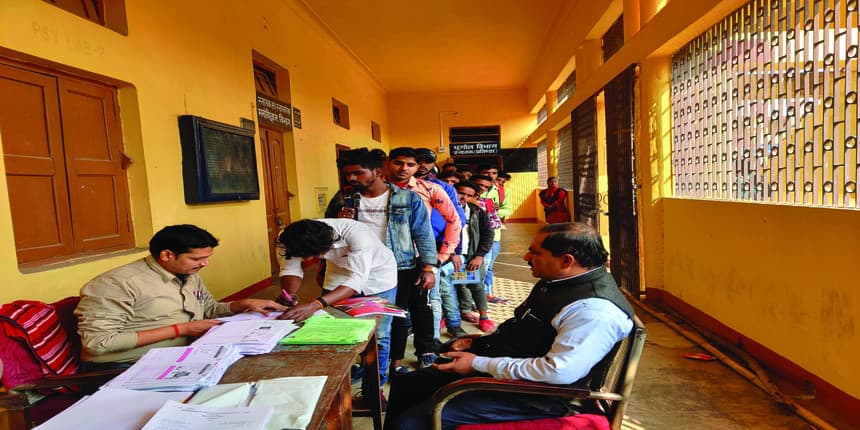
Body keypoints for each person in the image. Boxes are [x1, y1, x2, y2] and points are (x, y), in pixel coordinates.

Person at [384, 223, 635, 430]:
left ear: (566, 260)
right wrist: (479, 344)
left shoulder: (594, 311)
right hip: (508, 368)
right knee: (408, 386)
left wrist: (476, 363)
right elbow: (525, 328)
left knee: (412, 423)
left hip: (539, 396)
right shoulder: (558, 281)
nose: (526, 257)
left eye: (535, 253)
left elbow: (559, 373)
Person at [75, 224, 286, 366]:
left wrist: (242, 304)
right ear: (167, 255)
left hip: (187, 352)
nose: (205, 264)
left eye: (207, 257)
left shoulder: (187, 274)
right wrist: (182, 329)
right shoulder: (117, 283)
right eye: (197, 259)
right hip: (129, 366)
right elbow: (98, 342)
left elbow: (208, 309)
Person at [324, 147, 438, 377]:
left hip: (397, 267)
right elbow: (325, 232)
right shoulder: (343, 198)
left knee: (390, 323)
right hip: (350, 267)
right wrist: (337, 222)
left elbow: (423, 234)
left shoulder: (407, 198)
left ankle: (384, 371)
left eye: (358, 173)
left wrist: (428, 267)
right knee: (347, 324)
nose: (352, 179)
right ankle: (362, 367)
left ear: (377, 171)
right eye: (348, 174)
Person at [276, 218, 398, 400]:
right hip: (337, 277)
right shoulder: (288, 238)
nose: (309, 260)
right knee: (334, 332)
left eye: (312, 257)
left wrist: (315, 304)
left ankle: (373, 388)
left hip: (378, 279)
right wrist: (289, 294)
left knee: (379, 335)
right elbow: (290, 268)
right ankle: (341, 381)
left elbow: (357, 280)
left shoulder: (357, 234)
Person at [385, 147, 462, 370]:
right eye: (399, 163)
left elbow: (454, 221)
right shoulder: (377, 189)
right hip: (386, 261)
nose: (404, 169)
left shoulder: (429, 190)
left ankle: (425, 350)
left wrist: (442, 255)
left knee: (423, 306)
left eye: (410, 165)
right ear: (389, 163)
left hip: (421, 260)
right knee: (393, 310)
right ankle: (391, 358)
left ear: (418, 167)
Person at [414, 148, 468, 341]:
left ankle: (437, 337)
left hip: (437, 250)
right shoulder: (397, 187)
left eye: (427, 162)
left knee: (437, 293)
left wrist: (453, 252)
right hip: (405, 251)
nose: (422, 166)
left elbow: (456, 221)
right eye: (417, 161)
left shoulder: (443, 188)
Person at [452, 181, 496, 332]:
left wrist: (479, 256)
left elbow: (488, 234)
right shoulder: (445, 208)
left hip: (471, 255)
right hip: (451, 256)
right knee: (454, 286)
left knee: (475, 285)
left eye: (468, 195)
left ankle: (484, 316)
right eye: (461, 193)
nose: (463, 197)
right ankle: (457, 315)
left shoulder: (476, 212)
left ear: (474, 197)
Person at [471, 174, 508, 304]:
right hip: (463, 245)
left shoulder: (487, 203)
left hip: (483, 244)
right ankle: (466, 303)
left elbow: (496, 223)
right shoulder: (459, 199)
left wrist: (481, 223)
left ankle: (478, 301)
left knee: (483, 270)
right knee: (461, 274)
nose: (481, 188)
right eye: (479, 184)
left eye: (486, 187)